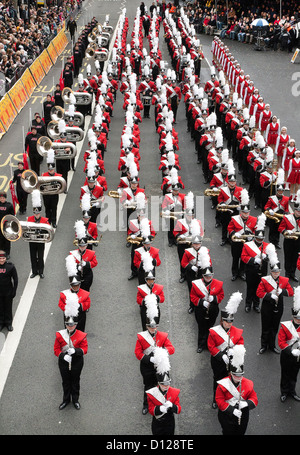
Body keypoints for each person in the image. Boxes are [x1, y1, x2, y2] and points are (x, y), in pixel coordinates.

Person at [134, 300, 175, 415]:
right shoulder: (142, 337)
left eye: (155, 327)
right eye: (151, 327)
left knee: (161, 385)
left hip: (159, 366)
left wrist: (162, 352)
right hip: (147, 366)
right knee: (148, 386)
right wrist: (149, 359)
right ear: (147, 327)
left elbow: (171, 348)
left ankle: (160, 404)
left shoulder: (162, 336)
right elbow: (137, 353)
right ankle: (146, 404)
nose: (153, 329)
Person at [208, 291, 244, 409]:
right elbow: (211, 346)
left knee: (230, 380)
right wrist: (220, 355)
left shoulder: (237, 331)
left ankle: (228, 398)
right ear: (222, 321)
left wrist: (234, 351)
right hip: (218, 360)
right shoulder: (214, 331)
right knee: (218, 379)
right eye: (226, 321)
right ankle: (216, 398)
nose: (229, 323)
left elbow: (240, 343)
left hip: (232, 360)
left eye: (231, 321)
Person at [257, 247, 294, 355]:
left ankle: (272, 345)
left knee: (274, 326)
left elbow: (291, 292)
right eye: (274, 272)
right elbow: (259, 293)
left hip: (279, 306)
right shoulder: (265, 280)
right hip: (267, 305)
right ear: (271, 272)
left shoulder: (284, 280)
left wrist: (282, 292)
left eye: (278, 272)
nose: (276, 274)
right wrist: (269, 296)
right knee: (265, 326)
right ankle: (264, 345)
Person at [54, 294, 88, 411]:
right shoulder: (60, 335)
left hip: (77, 362)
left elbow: (85, 349)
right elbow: (56, 350)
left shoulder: (81, 335)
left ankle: (75, 400)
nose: (70, 326)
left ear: (76, 325)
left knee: (75, 381)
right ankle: (66, 399)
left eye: (72, 324)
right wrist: (63, 356)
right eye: (68, 324)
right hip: (64, 362)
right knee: (65, 382)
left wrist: (76, 350)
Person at [215, 345, 258, 435]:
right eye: (236, 375)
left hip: (242, 414)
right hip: (227, 415)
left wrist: (246, 403)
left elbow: (254, 398)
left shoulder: (248, 383)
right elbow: (219, 400)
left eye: (240, 375)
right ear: (231, 373)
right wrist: (232, 410)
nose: (238, 378)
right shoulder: (223, 384)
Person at [190, 266, 224, 353]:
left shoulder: (218, 284)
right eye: (206, 276)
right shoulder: (197, 284)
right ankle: (201, 345)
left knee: (210, 327)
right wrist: (201, 302)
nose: (208, 278)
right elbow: (193, 297)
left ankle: (209, 345)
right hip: (201, 310)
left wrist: (215, 299)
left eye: (210, 275)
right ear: (203, 276)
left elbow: (221, 295)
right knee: (201, 327)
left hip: (213, 309)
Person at [146, 351, 181, 435]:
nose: (166, 386)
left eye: (168, 384)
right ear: (159, 383)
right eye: (163, 384)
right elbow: (151, 410)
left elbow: (178, 409)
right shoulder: (152, 393)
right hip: (157, 422)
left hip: (169, 422)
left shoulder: (173, 392)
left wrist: (172, 406)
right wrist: (159, 409)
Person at [241, 213, 270, 313]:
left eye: (261, 239)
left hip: (262, 270)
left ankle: (256, 304)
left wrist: (267, 257)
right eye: (258, 239)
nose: (259, 241)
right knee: (250, 288)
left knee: (259, 288)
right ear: (255, 237)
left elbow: (273, 258)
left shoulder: (268, 246)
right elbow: (244, 257)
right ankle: (248, 304)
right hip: (251, 270)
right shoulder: (248, 245)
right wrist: (254, 260)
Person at [227, 189, 257, 281]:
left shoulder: (254, 220)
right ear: (241, 212)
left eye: (247, 212)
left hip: (247, 242)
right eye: (244, 212)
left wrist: (252, 236)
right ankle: (235, 273)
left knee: (244, 259)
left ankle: (242, 272)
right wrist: (234, 233)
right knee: (235, 258)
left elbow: (256, 230)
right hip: (237, 242)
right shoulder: (235, 218)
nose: (245, 214)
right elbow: (230, 228)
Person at [278, 287, 300, 402]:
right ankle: (284, 391)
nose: (298, 320)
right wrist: (290, 350)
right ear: (293, 317)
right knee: (285, 373)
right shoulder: (286, 326)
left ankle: (292, 391)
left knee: (294, 374)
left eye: (299, 318)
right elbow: (281, 342)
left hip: (298, 355)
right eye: (296, 318)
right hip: (287, 354)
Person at [58, 255, 91, 332]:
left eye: (77, 285)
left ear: (79, 284)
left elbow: (87, 304)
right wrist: (67, 307)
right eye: (73, 285)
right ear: (70, 285)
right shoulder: (64, 294)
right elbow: (60, 304)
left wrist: (78, 306)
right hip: (69, 318)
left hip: (81, 317)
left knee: (80, 332)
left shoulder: (85, 293)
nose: (75, 287)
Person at [27, 190, 51, 279]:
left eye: (37, 213)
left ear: (39, 213)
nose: (36, 215)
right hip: (32, 240)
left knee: (40, 257)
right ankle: (34, 271)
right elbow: (26, 229)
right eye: (34, 213)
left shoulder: (45, 220)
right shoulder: (29, 219)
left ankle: (41, 272)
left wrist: (41, 232)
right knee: (33, 256)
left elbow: (48, 230)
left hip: (40, 240)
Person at [69, 221, 98, 292]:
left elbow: (95, 263)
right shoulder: (73, 254)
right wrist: (76, 267)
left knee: (85, 292)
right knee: (76, 292)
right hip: (76, 276)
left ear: (86, 245)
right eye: (80, 246)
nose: (82, 248)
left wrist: (87, 264)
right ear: (78, 245)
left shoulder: (91, 253)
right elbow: (70, 265)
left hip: (87, 275)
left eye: (84, 246)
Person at [278, 191, 300, 282]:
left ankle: (293, 273)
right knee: (288, 257)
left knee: (295, 257)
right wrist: (286, 232)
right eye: (298, 211)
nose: (299, 213)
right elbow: (281, 228)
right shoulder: (287, 217)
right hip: (288, 240)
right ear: (294, 211)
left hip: (298, 240)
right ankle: (287, 273)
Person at [42, 150, 63, 228]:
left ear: (54, 169)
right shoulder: (44, 175)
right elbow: (41, 186)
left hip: (54, 195)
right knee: (47, 209)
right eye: (49, 170)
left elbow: (61, 186)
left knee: (54, 208)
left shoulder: (58, 176)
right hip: (46, 195)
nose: (50, 171)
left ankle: (54, 221)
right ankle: (48, 221)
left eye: (52, 169)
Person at [0, 250, 18, 332]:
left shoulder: (10, 267)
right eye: (0, 258)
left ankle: (8, 323)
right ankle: (1, 323)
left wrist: (14, 290)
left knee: (8, 308)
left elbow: (15, 279)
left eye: (3, 258)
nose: (2, 260)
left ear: (5, 258)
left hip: (8, 292)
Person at [0, 191, 14, 259]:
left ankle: (7, 253)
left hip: (6, 226)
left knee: (7, 240)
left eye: (3, 198)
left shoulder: (9, 205)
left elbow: (12, 216)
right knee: (0, 240)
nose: (2, 199)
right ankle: (1, 253)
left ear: (5, 198)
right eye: (1, 198)